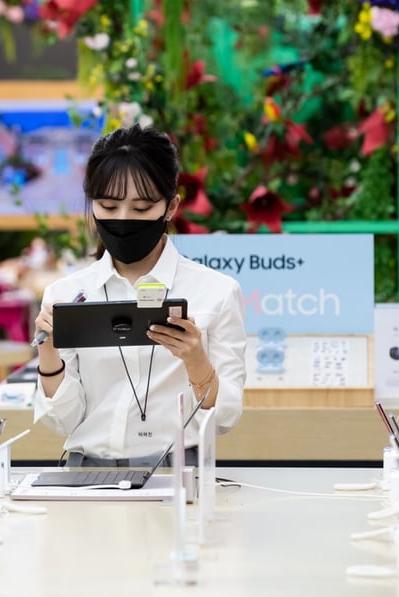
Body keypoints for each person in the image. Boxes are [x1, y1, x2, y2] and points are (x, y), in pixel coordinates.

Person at [31, 124, 246, 467]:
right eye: (108, 206)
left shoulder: (216, 292)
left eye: (142, 208)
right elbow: (63, 422)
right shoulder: (67, 294)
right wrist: (48, 351)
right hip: (85, 479)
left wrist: (196, 360)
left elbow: (224, 419)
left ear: (171, 207)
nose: (124, 219)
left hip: (176, 479)